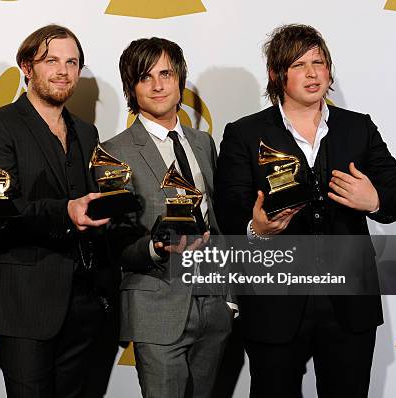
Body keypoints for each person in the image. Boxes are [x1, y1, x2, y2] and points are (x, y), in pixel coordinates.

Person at [215, 24, 396, 398]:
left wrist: (374, 200)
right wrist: (255, 228)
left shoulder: (359, 128)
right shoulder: (244, 133)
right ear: (277, 74)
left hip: (349, 304)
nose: (312, 73)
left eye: (319, 63)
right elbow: (229, 210)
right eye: (299, 64)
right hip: (274, 303)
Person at [0, 24, 119, 398]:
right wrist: (66, 212)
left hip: (84, 302)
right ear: (26, 66)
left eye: (72, 62)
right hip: (25, 304)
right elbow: (0, 207)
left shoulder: (87, 133)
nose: (63, 71)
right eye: (51, 60)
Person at [104, 37, 235, 398]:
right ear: (131, 87)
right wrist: (157, 249)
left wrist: (229, 298)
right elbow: (116, 240)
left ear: (180, 79)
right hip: (157, 308)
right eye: (145, 77)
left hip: (213, 305)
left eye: (166, 73)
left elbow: (217, 220)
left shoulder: (202, 142)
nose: (158, 85)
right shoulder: (114, 151)